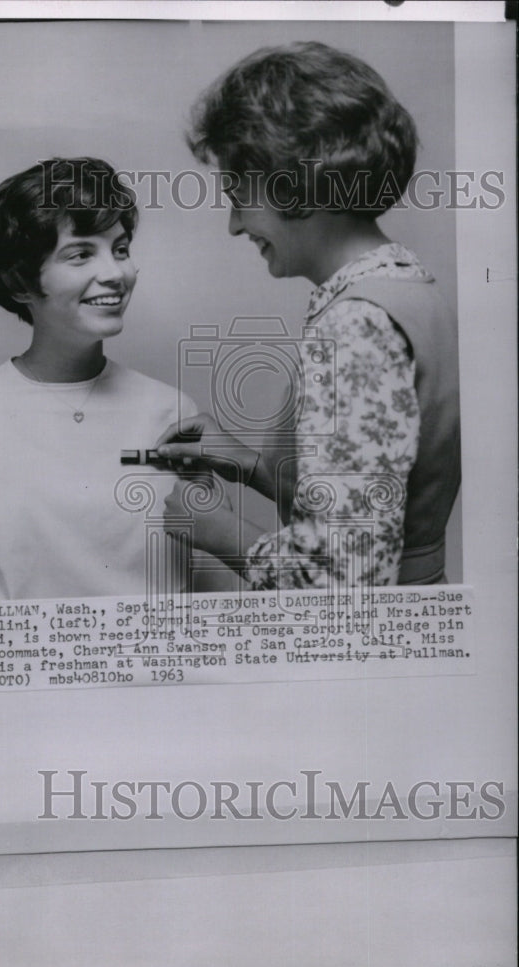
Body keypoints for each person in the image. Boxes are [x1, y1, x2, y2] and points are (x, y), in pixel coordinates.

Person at [157, 41, 460, 589]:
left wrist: (219, 529)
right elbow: (364, 499)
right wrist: (251, 466)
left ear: (293, 184)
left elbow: (339, 580)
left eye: (238, 196)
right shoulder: (404, 288)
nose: (233, 226)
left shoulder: (357, 326)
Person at [0, 157, 195, 601]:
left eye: (120, 249)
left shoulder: (172, 412)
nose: (116, 273)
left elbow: (191, 584)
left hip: (151, 668)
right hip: (10, 668)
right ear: (19, 282)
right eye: (81, 254)